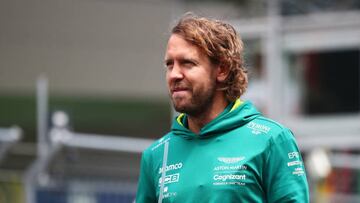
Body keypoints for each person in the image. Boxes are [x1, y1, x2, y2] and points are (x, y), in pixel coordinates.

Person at [136, 13, 309, 203]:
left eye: (187, 63)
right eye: (170, 65)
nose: (174, 74)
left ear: (222, 70)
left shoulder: (272, 140)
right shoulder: (157, 155)